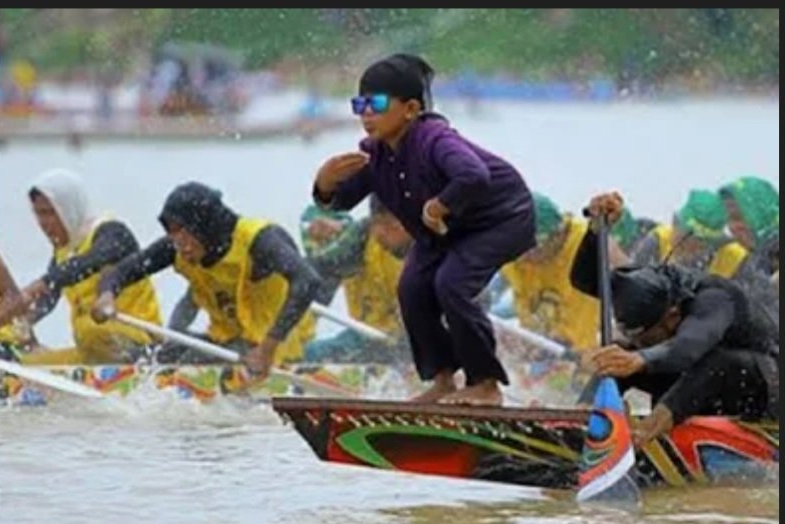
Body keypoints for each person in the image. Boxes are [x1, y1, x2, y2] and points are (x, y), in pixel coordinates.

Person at [312, 53, 536, 405]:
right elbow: (341, 201)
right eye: (360, 104)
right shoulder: (375, 155)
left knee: (452, 285)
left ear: (411, 109)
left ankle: (486, 384)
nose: (366, 114)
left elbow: (473, 175)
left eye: (377, 104)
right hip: (446, 231)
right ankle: (444, 379)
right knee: (412, 289)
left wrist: (440, 204)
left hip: (503, 218)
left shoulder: (435, 139)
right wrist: (324, 184)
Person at [575, 192, 779, 446]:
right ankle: (581, 418)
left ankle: (647, 431)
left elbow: (687, 347)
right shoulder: (648, 280)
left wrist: (637, 359)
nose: (641, 343)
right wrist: (595, 230)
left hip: (761, 391)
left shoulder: (716, 298)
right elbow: (583, 279)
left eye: (647, 336)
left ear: (672, 317)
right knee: (620, 355)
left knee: (716, 360)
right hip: (696, 389)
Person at [93, 182, 321, 379]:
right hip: (225, 343)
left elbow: (308, 281)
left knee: (190, 361)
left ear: (205, 227)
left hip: (272, 350)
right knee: (150, 357)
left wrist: (268, 348)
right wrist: (107, 295)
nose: (178, 243)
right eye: (172, 232)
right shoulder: (178, 247)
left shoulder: (260, 241)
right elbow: (122, 271)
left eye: (182, 232)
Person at [0, 169, 162, 365]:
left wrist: (45, 281)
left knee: (88, 330)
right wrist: (13, 327)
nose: (43, 223)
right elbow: (44, 303)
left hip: (138, 339)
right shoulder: (63, 253)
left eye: (49, 213)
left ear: (68, 207)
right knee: (30, 364)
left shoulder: (113, 233)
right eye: (38, 214)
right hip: (92, 348)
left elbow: (92, 261)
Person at [500, 193, 627, 352]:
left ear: (557, 235)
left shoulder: (585, 240)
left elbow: (635, 281)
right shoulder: (514, 257)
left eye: (531, 248)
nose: (524, 257)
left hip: (585, 355)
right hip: (536, 354)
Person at [303, 196, 412, 364]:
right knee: (306, 354)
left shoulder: (368, 240)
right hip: (370, 334)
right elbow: (315, 299)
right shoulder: (340, 258)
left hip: (400, 335)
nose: (323, 235)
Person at [719, 175, 779, 278]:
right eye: (727, 221)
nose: (732, 228)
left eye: (738, 218)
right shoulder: (750, 264)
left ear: (761, 214)